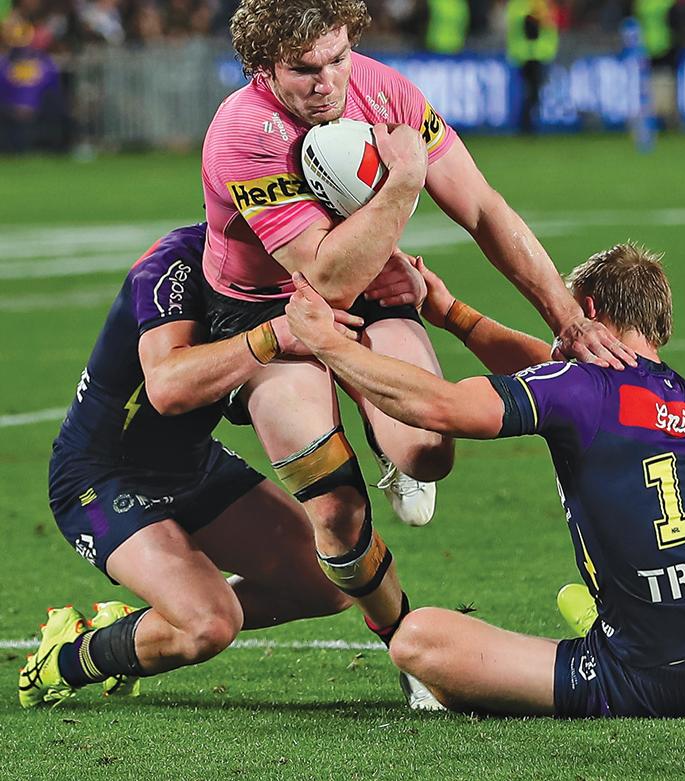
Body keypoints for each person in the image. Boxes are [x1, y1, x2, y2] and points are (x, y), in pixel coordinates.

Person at [200, 0, 636, 672]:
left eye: (338, 58)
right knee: (338, 514)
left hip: (368, 285)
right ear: (264, 68)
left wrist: (567, 320)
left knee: (429, 452)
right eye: (304, 69)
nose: (327, 82)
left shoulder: (383, 90)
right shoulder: (243, 131)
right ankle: (402, 644)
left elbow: (483, 207)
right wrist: (405, 178)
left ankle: (387, 442)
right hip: (269, 314)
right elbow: (324, 276)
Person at [284, 244, 685, 718]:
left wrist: (327, 342)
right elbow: (551, 375)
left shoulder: (582, 390)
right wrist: (450, 312)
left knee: (417, 643)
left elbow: (439, 408)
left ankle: (602, 642)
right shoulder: (684, 396)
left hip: (642, 671)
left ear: (588, 311)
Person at [19, 223, 420, 708]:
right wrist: (273, 335)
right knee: (209, 624)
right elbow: (167, 386)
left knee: (326, 586)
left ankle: (138, 625)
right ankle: (63, 658)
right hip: (99, 480)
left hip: (192, 464)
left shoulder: (303, 265)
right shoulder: (172, 265)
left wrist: (411, 296)